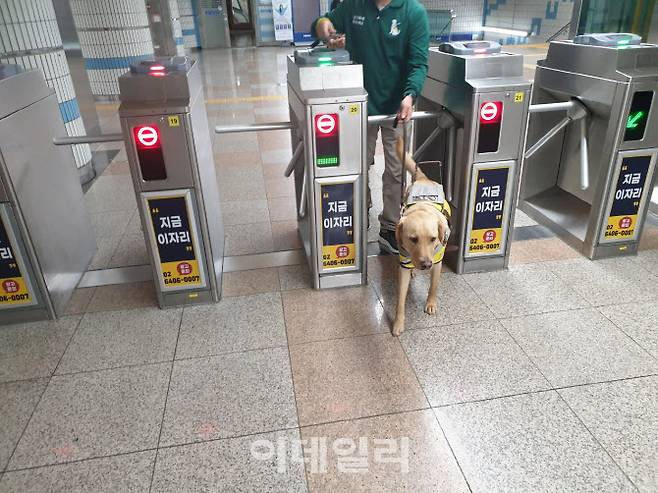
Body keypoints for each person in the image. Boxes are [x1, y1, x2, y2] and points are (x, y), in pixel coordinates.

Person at [312, 0, 429, 254]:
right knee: (356, 165)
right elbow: (321, 23)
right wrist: (325, 28)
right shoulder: (354, 5)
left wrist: (410, 95)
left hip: (396, 107)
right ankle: (359, 211)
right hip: (358, 106)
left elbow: (419, 63)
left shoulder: (413, 12)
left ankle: (389, 226)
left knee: (396, 170)